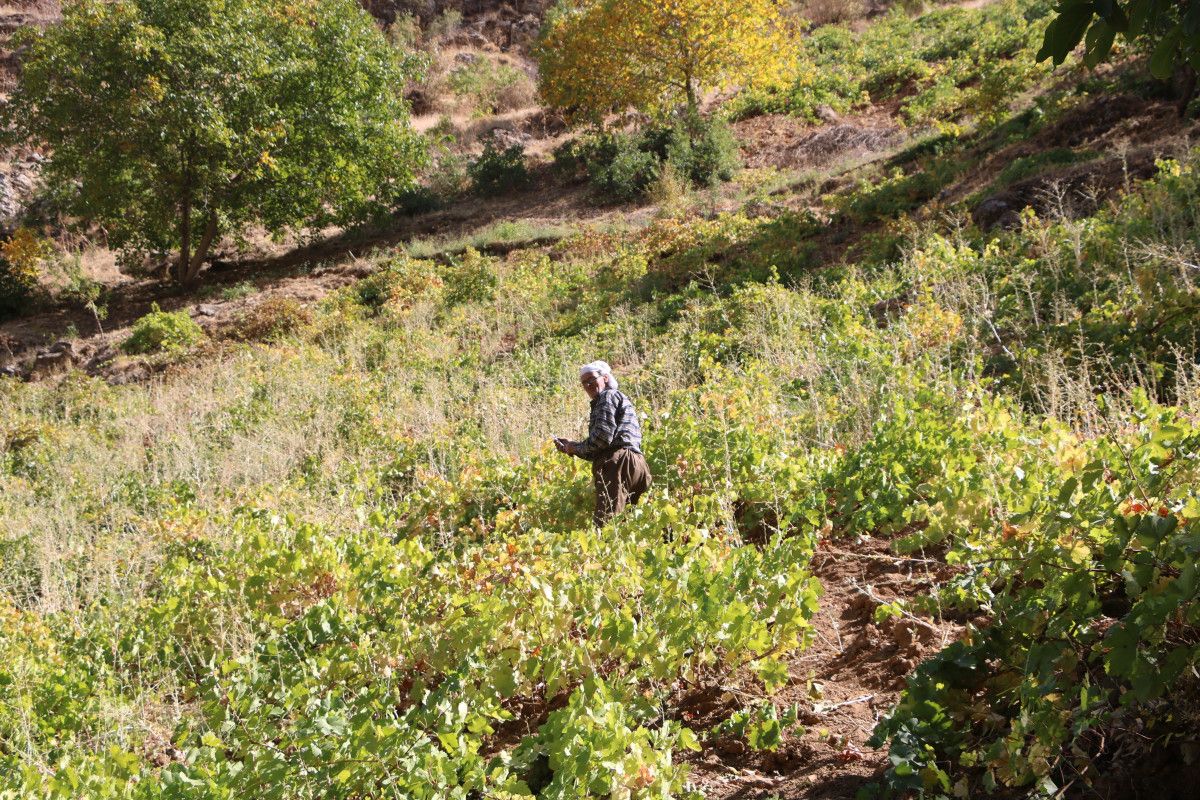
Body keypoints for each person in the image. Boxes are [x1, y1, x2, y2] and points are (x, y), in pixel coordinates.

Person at [554, 360, 652, 527]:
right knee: (635, 525)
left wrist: (574, 447)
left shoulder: (607, 396)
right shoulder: (617, 398)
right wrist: (573, 448)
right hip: (637, 464)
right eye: (584, 383)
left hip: (618, 463)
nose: (588, 385)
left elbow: (602, 438)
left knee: (607, 525)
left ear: (605, 378)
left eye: (592, 379)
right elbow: (603, 444)